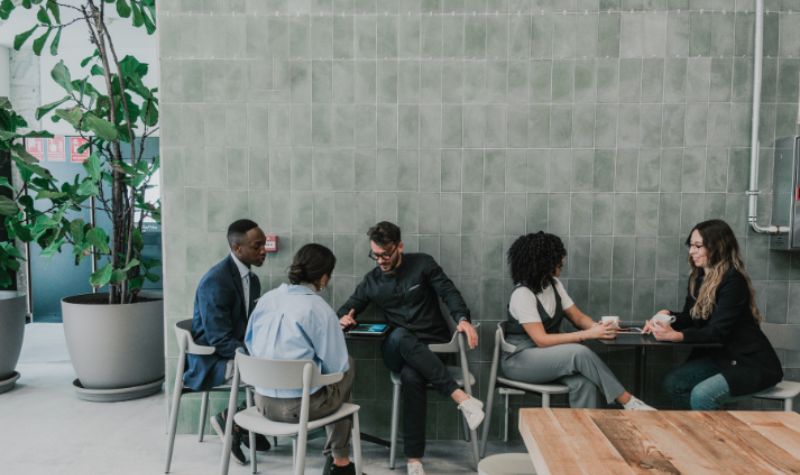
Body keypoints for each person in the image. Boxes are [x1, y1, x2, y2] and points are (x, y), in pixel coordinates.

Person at [337, 221, 484, 475]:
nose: (380, 260)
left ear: (399, 247)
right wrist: (344, 318)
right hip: (396, 348)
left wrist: (463, 320)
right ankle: (461, 398)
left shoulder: (423, 264)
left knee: (411, 376)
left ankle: (414, 459)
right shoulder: (371, 281)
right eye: (375, 255)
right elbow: (347, 307)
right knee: (401, 335)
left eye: (386, 254)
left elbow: (449, 293)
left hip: (433, 350)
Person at [502, 232, 653, 410]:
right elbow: (541, 340)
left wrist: (598, 328)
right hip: (520, 362)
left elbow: (578, 317)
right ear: (543, 262)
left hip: (547, 358)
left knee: (585, 384)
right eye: (558, 258)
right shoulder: (523, 294)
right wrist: (587, 335)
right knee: (578, 353)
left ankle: (584, 435)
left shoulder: (554, 285)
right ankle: (630, 403)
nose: (562, 261)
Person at [646, 219, 783, 410]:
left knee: (702, 395)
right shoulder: (699, 277)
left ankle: (711, 438)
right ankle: (701, 431)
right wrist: (667, 317)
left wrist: (677, 336)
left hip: (750, 364)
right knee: (673, 383)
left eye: (698, 246)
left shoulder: (733, 281)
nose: (691, 251)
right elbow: (691, 318)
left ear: (717, 247)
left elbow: (717, 331)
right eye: (691, 246)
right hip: (721, 358)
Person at [245, 243, 356, 475]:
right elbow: (337, 367)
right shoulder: (319, 309)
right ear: (324, 278)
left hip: (261, 404)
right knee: (348, 366)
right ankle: (341, 462)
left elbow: (250, 344)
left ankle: (340, 461)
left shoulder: (267, 299)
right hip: (300, 409)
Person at [183, 219, 269, 464]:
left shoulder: (252, 280)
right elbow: (219, 340)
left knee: (277, 364)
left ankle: (246, 425)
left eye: (263, 244)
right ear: (237, 248)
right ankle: (235, 420)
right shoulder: (216, 280)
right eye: (257, 246)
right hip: (212, 361)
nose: (264, 250)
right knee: (272, 373)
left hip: (230, 354)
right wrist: (255, 355)